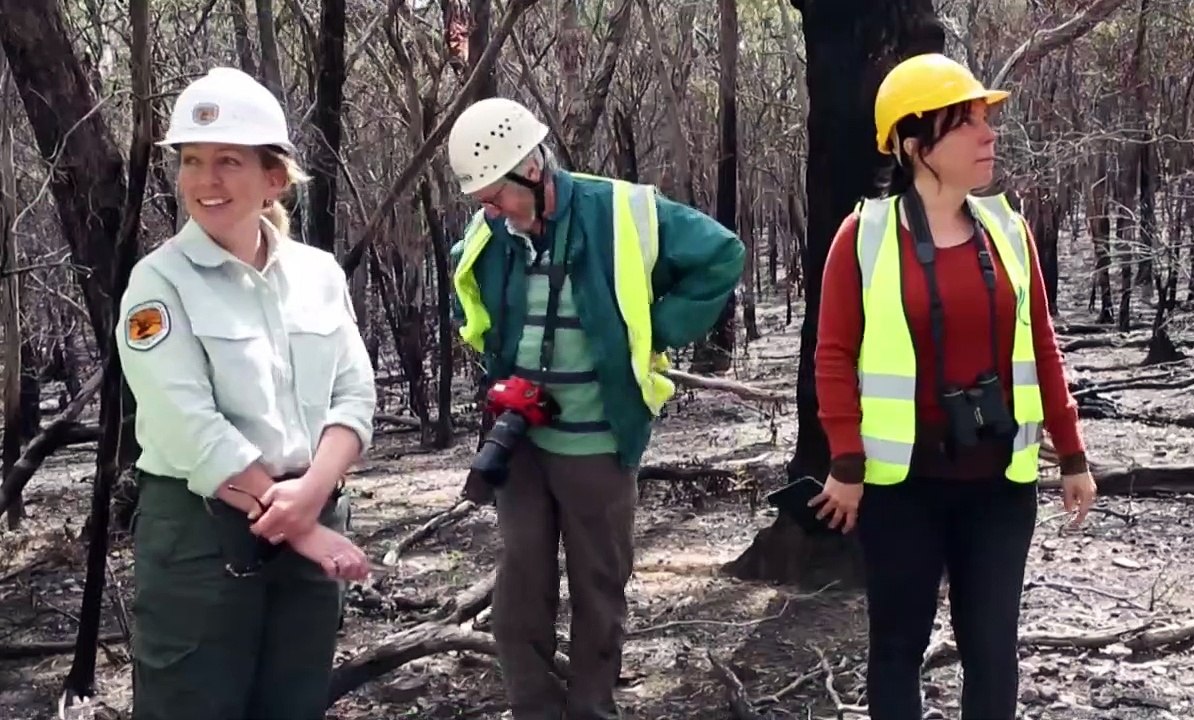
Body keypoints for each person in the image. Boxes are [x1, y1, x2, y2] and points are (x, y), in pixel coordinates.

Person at [810, 53, 1097, 720]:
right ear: (917, 146)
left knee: (993, 649)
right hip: (900, 488)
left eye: (984, 120)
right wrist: (846, 462)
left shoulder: (1008, 230)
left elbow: (1042, 346)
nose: (988, 134)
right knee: (897, 647)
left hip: (1000, 483)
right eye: (965, 123)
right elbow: (832, 357)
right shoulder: (863, 238)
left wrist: (1072, 452)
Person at [446, 97, 744, 719]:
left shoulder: (621, 212)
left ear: (532, 167)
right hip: (520, 438)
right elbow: (467, 295)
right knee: (520, 588)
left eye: (497, 194)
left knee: (599, 588)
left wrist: (651, 331)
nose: (491, 211)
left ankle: (591, 711)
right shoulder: (490, 234)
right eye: (482, 201)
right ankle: (535, 708)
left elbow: (722, 255)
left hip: (599, 440)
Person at [117, 67, 376, 720]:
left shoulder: (317, 274)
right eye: (192, 161)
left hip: (313, 510)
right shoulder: (159, 285)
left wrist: (311, 499)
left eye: (228, 161)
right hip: (202, 534)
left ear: (274, 178)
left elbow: (354, 394)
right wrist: (301, 528)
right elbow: (187, 426)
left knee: (293, 703)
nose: (206, 181)